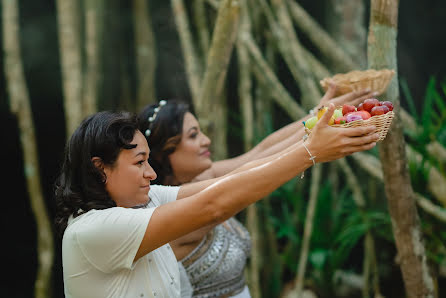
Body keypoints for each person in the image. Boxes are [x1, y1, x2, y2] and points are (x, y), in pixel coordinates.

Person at [55, 104, 379, 298]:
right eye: (139, 162)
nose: (151, 174)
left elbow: (235, 177)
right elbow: (215, 204)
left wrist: (314, 137)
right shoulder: (94, 229)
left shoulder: (145, 201)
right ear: (100, 168)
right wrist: (309, 152)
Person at [136, 85, 377, 298]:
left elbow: (258, 154)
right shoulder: (167, 215)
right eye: (193, 135)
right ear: (164, 154)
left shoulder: (202, 178)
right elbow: (249, 178)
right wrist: (312, 147)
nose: (206, 140)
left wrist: (317, 116)